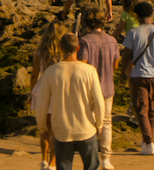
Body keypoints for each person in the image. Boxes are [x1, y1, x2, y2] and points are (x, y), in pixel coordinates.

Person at [35, 33, 105, 170]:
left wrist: (42, 127)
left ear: (60, 48)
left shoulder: (51, 72)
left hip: (62, 131)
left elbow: (41, 104)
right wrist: (100, 123)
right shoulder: (89, 71)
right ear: (78, 48)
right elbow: (99, 101)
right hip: (86, 129)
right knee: (92, 167)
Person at [120, 1, 154, 155]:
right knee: (153, 110)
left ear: (136, 15)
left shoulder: (133, 33)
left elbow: (126, 56)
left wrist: (122, 72)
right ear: (151, 14)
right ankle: (149, 141)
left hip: (138, 75)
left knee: (141, 109)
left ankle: (148, 142)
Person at [78, 8, 120, 170]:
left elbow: (82, 64)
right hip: (108, 87)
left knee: (89, 122)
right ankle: (106, 158)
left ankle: (92, 157)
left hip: (88, 89)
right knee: (107, 122)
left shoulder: (85, 41)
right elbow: (115, 65)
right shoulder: (112, 41)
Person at [30, 21, 68, 170]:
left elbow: (34, 74)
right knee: (55, 130)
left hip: (41, 88)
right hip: (58, 89)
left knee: (43, 128)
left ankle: (44, 160)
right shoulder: (63, 51)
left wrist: (31, 91)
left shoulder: (40, 50)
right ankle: (52, 163)